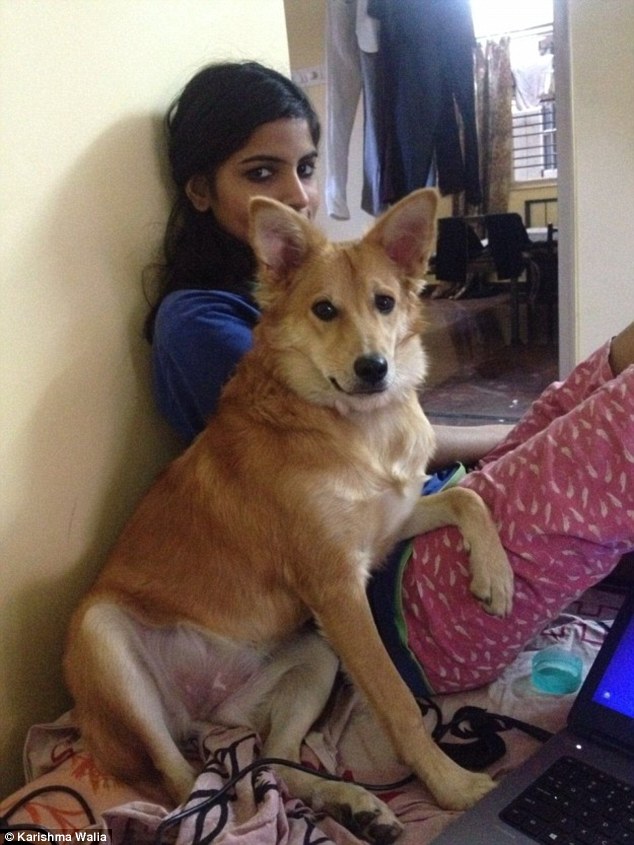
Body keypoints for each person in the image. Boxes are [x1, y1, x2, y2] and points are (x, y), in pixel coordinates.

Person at [145, 60, 634, 698]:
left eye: (306, 167)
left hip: (420, 508)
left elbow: (394, 438)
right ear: (200, 190)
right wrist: (516, 437)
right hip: (398, 591)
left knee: (613, 368)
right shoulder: (203, 325)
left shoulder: (317, 277)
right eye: (261, 172)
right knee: (616, 421)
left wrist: (526, 436)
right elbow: (353, 454)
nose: (297, 195)